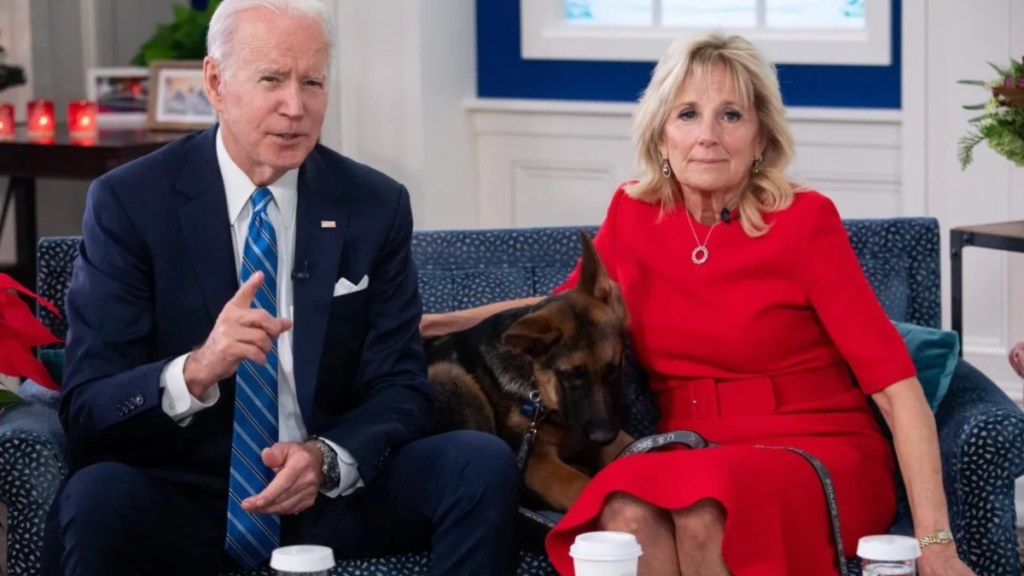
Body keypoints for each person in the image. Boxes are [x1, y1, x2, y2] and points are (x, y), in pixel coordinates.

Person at [421, 34, 975, 576]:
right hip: (688, 451)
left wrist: (936, 544)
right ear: (662, 135)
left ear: (761, 137)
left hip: (815, 448)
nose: (707, 135)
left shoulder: (806, 222)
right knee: (624, 515)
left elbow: (898, 390)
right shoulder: (633, 217)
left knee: (702, 513)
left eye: (731, 115)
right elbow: (559, 313)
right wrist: (432, 323)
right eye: (688, 114)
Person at [46, 1, 521, 574]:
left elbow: (401, 387)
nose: (295, 108)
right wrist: (196, 369)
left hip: (327, 493)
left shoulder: (375, 205)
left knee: (478, 463)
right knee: (95, 497)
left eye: (313, 82)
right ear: (216, 82)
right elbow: (88, 404)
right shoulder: (129, 202)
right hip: (186, 494)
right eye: (271, 79)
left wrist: (325, 458)